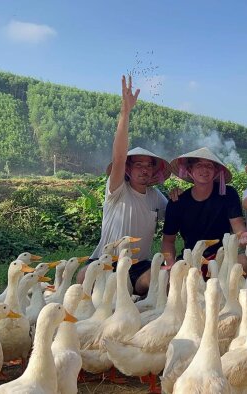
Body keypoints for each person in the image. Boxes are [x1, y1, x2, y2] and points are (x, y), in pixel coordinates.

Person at [77, 75, 170, 296]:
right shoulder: (117, 189)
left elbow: (176, 217)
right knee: (83, 276)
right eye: (138, 165)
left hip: (138, 266)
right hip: (106, 262)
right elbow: (118, 157)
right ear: (128, 169)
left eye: (149, 166)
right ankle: (120, 293)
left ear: (154, 171)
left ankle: (134, 293)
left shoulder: (157, 197)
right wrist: (125, 112)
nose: (144, 169)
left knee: (164, 280)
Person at [162, 147, 247, 266]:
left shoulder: (228, 194)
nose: (204, 169)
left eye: (209, 166)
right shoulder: (177, 202)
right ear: (190, 169)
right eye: (199, 165)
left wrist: (243, 236)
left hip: (222, 257)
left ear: (216, 171)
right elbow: (168, 241)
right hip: (190, 259)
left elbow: (238, 228)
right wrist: (170, 264)